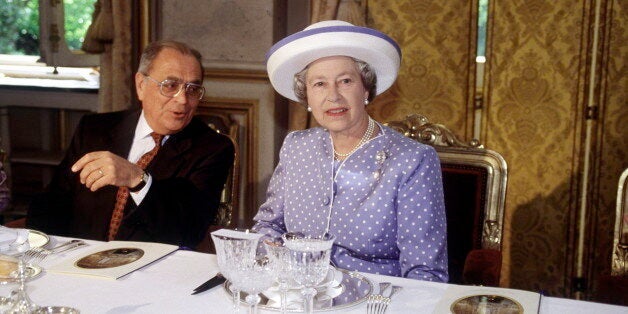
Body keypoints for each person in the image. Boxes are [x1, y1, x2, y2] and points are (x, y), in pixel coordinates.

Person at [253, 20, 448, 282]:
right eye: (319, 84)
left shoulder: (412, 160)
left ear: (365, 88)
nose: (333, 96)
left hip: (376, 300)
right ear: (307, 97)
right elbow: (268, 225)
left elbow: (425, 273)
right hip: (299, 293)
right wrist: (271, 249)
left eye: (345, 81)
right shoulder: (296, 147)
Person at [26, 40, 234, 249]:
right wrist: (44, 255)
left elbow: (188, 230)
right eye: (170, 86)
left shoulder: (212, 149)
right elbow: (51, 205)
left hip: (150, 271)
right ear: (141, 85)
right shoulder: (94, 129)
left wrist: (138, 179)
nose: (182, 100)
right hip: (77, 261)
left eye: (192, 89)